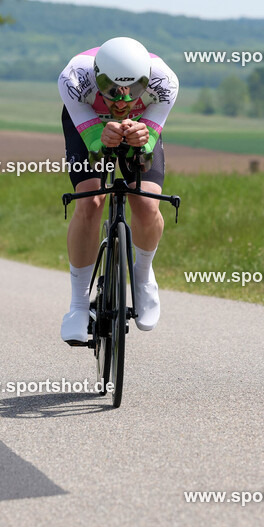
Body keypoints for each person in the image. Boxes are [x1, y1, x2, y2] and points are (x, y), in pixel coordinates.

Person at [57, 36, 179, 345]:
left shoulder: (165, 80)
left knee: (148, 204)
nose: (121, 102)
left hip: (140, 127)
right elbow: (94, 142)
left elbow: (151, 138)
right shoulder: (74, 78)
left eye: (132, 91)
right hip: (89, 124)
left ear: (146, 81)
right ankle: (79, 305)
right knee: (91, 201)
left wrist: (143, 135)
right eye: (111, 91)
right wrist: (101, 134)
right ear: (96, 78)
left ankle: (143, 275)